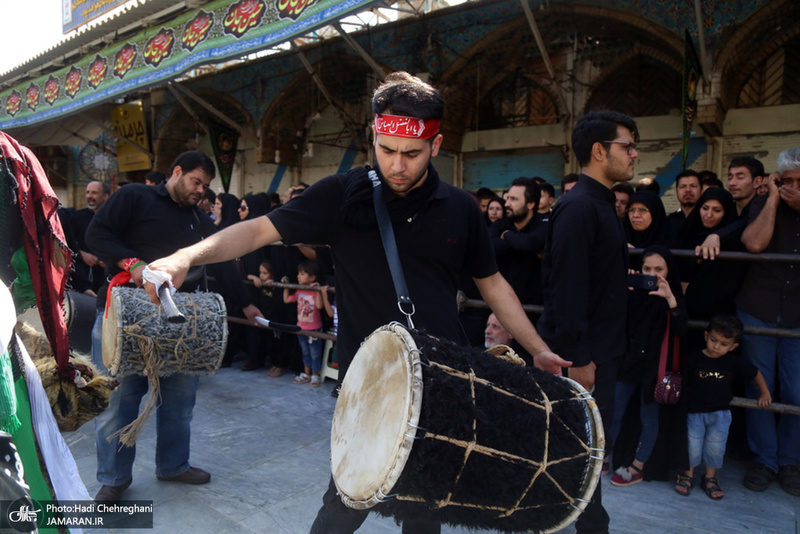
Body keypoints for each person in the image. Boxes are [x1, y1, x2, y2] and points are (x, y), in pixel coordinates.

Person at [144, 71, 567, 534]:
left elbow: (492, 283)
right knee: (346, 502)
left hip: (443, 382)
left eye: (412, 153)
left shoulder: (460, 207)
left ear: (437, 145)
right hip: (369, 387)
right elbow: (257, 230)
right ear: (374, 138)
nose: (398, 165)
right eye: (387, 150)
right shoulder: (342, 195)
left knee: (427, 509)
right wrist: (185, 257)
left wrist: (536, 347)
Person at [85, 150, 262, 503]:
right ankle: (113, 478)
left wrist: (246, 303)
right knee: (119, 400)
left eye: (206, 186)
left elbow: (223, 260)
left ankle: (173, 465)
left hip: (180, 319)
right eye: (196, 182)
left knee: (180, 401)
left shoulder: (199, 218)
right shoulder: (135, 195)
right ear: (176, 171)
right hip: (125, 314)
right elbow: (96, 235)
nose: (201, 191)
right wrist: (131, 262)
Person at [538, 109, 638, 534]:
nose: (634, 154)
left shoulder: (598, 204)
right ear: (599, 151)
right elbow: (568, 289)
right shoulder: (580, 208)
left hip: (601, 352)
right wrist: (578, 358)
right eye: (627, 146)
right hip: (585, 359)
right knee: (585, 453)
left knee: (590, 453)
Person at [737, 147, 800, 496]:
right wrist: (775, 199)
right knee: (760, 389)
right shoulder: (765, 201)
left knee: (796, 392)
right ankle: (765, 460)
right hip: (758, 308)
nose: (792, 186)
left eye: (799, 182)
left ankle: (790, 462)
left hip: (797, 314)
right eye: (786, 180)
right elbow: (754, 243)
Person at [608, 246, 687, 487]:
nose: (653, 275)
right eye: (647, 269)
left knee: (649, 418)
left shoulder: (672, 296)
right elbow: (617, 320)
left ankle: (638, 466)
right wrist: (628, 289)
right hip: (629, 363)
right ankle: (603, 458)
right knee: (613, 413)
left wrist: (670, 300)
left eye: (659, 269)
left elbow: (682, 330)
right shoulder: (634, 293)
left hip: (655, 370)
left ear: (669, 271)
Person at [674, 315, 771, 500]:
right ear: (705, 336)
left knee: (715, 448)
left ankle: (710, 478)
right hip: (694, 413)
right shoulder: (694, 358)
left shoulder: (733, 362)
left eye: (724, 344)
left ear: (733, 346)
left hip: (720, 415)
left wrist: (765, 393)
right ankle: (688, 475)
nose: (716, 347)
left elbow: (755, 373)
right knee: (692, 446)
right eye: (713, 340)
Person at [489, 176, 546, 305]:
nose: (507, 204)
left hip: (534, 308)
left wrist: (507, 236)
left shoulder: (543, 226)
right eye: (508, 198)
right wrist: (522, 245)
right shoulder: (499, 225)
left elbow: (529, 244)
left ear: (530, 204)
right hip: (501, 306)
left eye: (513, 199)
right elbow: (489, 246)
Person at [283, 260, 325, 387]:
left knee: (315, 353)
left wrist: (318, 291)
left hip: (314, 329)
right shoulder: (298, 291)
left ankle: (315, 375)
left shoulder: (314, 291)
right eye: (298, 274)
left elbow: (319, 306)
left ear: (312, 277)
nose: (298, 276)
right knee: (305, 352)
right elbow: (286, 300)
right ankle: (306, 374)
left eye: (302, 274)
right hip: (300, 327)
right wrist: (286, 287)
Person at [69, 181, 110, 296]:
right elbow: (68, 243)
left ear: (105, 196)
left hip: (107, 277)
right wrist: (82, 254)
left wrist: (110, 259)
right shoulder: (77, 217)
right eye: (88, 192)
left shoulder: (113, 218)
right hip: (82, 276)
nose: (89, 196)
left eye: (94, 193)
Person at [247, 259, 287, 377]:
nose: (261, 276)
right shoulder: (260, 283)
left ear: (272, 274)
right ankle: (273, 364)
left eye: (265, 273)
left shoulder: (276, 285)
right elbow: (247, 276)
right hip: (264, 318)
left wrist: (275, 285)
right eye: (260, 273)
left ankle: (279, 365)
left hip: (275, 319)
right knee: (269, 343)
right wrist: (254, 278)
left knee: (277, 343)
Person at [664, 170, 701, 243]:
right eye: (683, 186)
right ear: (676, 191)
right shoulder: (667, 222)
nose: (688, 190)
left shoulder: (708, 220)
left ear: (701, 190)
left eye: (693, 186)